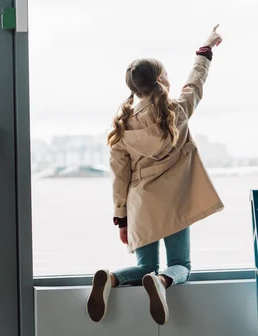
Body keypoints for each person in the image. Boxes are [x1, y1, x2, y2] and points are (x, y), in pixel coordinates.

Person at [86, 25, 225, 325]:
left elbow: (118, 176)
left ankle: (110, 279)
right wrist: (205, 49)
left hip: (141, 203)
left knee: (142, 266)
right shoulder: (177, 111)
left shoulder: (122, 128)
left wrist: (121, 218)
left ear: (134, 88)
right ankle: (162, 282)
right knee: (180, 265)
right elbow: (195, 83)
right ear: (161, 80)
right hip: (174, 200)